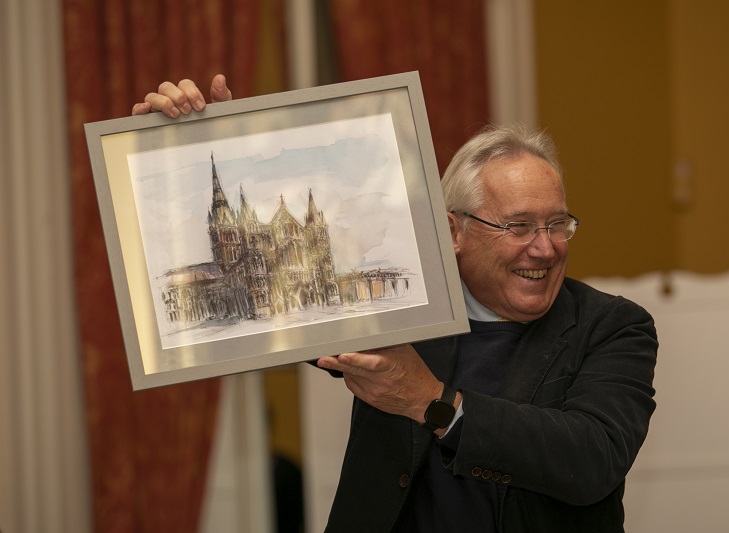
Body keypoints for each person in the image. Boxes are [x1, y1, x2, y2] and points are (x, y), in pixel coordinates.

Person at [134, 77, 657, 532]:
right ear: (454, 232)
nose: (545, 247)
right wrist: (211, 139)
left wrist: (432, 401)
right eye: (519, 226)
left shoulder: (612, 327)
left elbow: (591, 459)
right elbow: (274, 300)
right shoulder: (405, 307)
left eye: (557, 224)